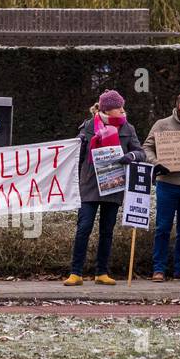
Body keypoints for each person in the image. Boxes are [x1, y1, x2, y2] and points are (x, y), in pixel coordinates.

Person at [64, 90, 146, 286]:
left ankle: (102, 272)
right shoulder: (88, 126)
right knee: (83, 228)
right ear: (108, 109)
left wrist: (131, 157)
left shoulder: (128, 128)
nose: (123, 110)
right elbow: (76, 154)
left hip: (113, 185)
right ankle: (76, 273)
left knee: (107, 230)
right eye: (119, 107)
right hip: (90, 185)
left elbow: (140, 152)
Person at [142, 90, 180, 281]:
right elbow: (146, 147)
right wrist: (156, 163)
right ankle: (158, 269)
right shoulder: (162, 125)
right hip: (167, 184)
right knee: (163, 228)